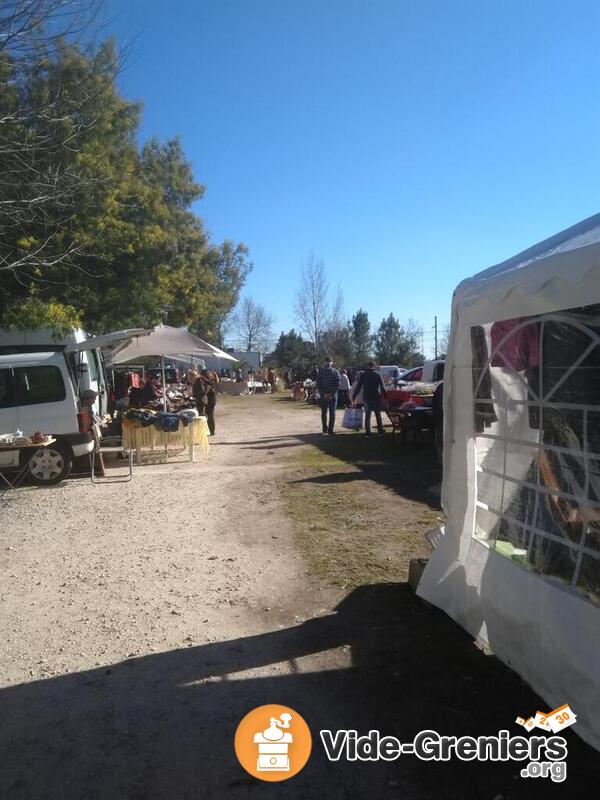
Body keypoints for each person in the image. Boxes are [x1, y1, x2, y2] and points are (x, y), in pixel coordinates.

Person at [352, 361, 388, 437]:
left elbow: (358, 387)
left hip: (366, 397)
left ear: (367, 366)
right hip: (375, 396)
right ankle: (380, 431)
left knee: (367, 416)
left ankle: (368, 433)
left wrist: (354, 396)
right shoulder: (378, 374)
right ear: (374, 366)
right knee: (378, 415)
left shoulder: (363, 374)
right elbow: (382, 386)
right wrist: (386, 397)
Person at [316, 356, 341, 435]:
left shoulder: (320, 372)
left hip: (324, 395)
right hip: (333, 395)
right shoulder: (336, 372)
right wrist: (331, 394)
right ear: (331, 362)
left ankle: (324, 429)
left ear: (325, 362)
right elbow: (338, 384)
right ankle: (330, 430)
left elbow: (318, 385)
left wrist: (323, 394)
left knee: (324, 412)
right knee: (332, 413)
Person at [193, 369, 218, 436]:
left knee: (209, 415)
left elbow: (204, 391)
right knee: (208, 415)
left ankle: (211, 431)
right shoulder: (208, 380)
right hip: (210, 400)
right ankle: (210, 430)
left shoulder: (208, 381)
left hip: (211, 400)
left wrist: (206, 389)